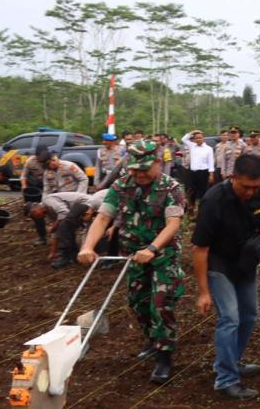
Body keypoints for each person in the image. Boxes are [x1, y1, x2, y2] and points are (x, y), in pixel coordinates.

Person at [78, 139, 186, 384]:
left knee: (160, 303)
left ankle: (165, 356)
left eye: (144, 169)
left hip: (163, 255)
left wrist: (152, 248)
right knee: (138, 303)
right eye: (134, 169)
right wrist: (87, 247)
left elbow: (173, 224)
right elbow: (103, 218)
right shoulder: (121, 185)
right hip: (133, 255)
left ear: (157, 163)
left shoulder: (171, 187)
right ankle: (153, 339)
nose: (139, 175)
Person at [193, 154, 260, 400]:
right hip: (219, 262)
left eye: (256, 186)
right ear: (233, 177)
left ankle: (233, 360)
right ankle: (226, 379)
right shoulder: (214, 200)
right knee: (230, 318)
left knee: (249, 315)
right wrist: (203, 292)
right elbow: (200, 249)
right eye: (246, 186)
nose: (251, 192)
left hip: (246, 260)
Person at [27, 190, 108, 268]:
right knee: (66, 229)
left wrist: (54, 226)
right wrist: (53, 252)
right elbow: (58, 232)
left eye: (34, 215)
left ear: (35, 208)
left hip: (86, 203)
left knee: (65, 225)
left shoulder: (47, 201)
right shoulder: (50, 213)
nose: (37, 218)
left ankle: (66, 257)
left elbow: (64, 213)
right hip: (76, 211)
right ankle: (74, 255)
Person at [21, 144, 52, 246]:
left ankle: (58, 236)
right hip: (35, 189)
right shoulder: (30, 161)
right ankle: (42, 237)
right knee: (37, 213)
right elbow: (23, 176)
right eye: (38, 158)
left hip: (50, 188)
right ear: (36, 155)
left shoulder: (51, 161)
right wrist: (24, 187)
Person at [182, 130, 215, 212]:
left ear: (203, 138)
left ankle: (202, 209)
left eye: (200, 138)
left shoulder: (208, 149)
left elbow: (211, 162)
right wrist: (194, 131)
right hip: (193, 173)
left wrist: (211, 174)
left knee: (202, 191)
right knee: (191, 191)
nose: (198, 139)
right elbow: (183, 139)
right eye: (196, 138)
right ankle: (191, 208)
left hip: (203, 173)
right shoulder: (192, 146)